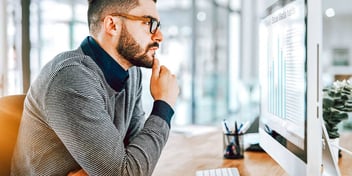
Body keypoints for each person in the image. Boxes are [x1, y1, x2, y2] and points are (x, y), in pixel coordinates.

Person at [11, 0, 179, 175]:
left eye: (158, 25)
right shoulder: (71, 78)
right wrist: (164, 106)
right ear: (112, 25)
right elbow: (127, 172)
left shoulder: (132, 73)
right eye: (148, 23)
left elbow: (138, 155)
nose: (159, 36)